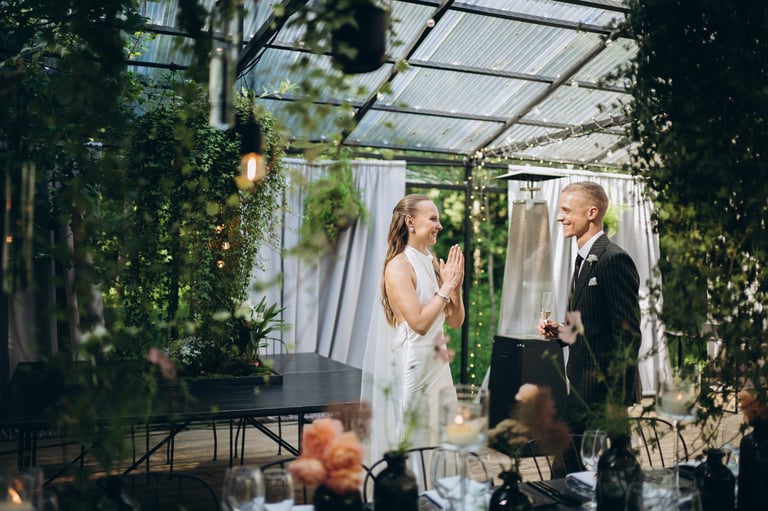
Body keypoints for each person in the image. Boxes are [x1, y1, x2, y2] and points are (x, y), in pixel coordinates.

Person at [538, 181, 641, 473]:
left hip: (602, 393)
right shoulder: (583, 259)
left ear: (592, 213)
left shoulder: (614, 259)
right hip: (581, 389)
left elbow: (628, 334)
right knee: (599, 468)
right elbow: (583, 327)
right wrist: (560, 331)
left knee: (571, 468)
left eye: (567, 210)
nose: (560, 217)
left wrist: (615, 398)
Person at [362, 194, 465, 462]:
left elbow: (455, 321)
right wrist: (446, 287)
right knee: (416, 435)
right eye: (433, 219)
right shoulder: (398, 266)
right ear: (410, 221)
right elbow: (418, 324)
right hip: (414, 364)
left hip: (438, 364)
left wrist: (456, 287)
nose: (439, 225)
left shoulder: (431, 261)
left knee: (441, 434)